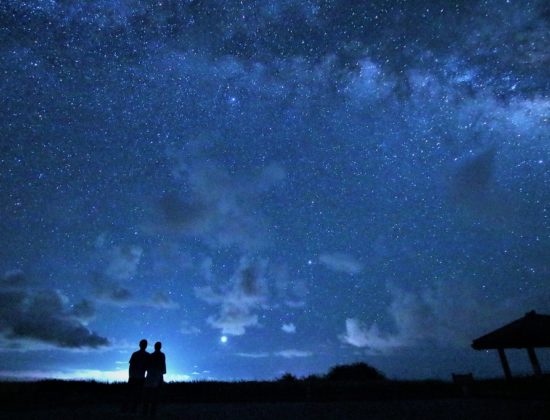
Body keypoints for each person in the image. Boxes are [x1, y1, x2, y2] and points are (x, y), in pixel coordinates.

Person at [143, 341, 166, 418]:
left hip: (150, 376)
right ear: (160, 347)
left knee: (148, 395)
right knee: (155, 395)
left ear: (154, 347)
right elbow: (163, 367)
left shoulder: (151, 355)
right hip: (158, 376)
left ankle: (145, 412)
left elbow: (147, 366)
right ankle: (152, 412)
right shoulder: (162, 355)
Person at [126, 339, 149, 413]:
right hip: (140, 377)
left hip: (134, 377)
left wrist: (130, 376)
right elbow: (148, 368)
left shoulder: (135, 354)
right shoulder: (147, 355)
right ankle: (132, 409)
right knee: (136, 394)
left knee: (131, 394)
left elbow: (131, 366)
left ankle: (128, 409)